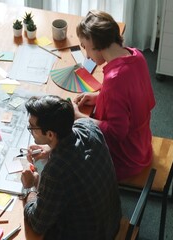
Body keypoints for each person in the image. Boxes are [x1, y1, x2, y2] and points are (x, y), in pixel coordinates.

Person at [21, 95, 121, 240]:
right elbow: (76, 134)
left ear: (50, 134)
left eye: (32, 127)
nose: (30, 129)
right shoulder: (88, 127)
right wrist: (50, 148)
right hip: (111, 221)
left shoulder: (56, 170)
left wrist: (31, 186)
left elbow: (37, 224)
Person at [73, 10, 156, 180]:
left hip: (125, 158)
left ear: (95, 42)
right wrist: (100, 96)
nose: (87, 55)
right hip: (142, 144)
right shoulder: (136, 55)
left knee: (66, 155)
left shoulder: (115, 79)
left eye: (84, 46)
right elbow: (132, 98)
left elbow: (115, 133)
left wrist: (78, 116)